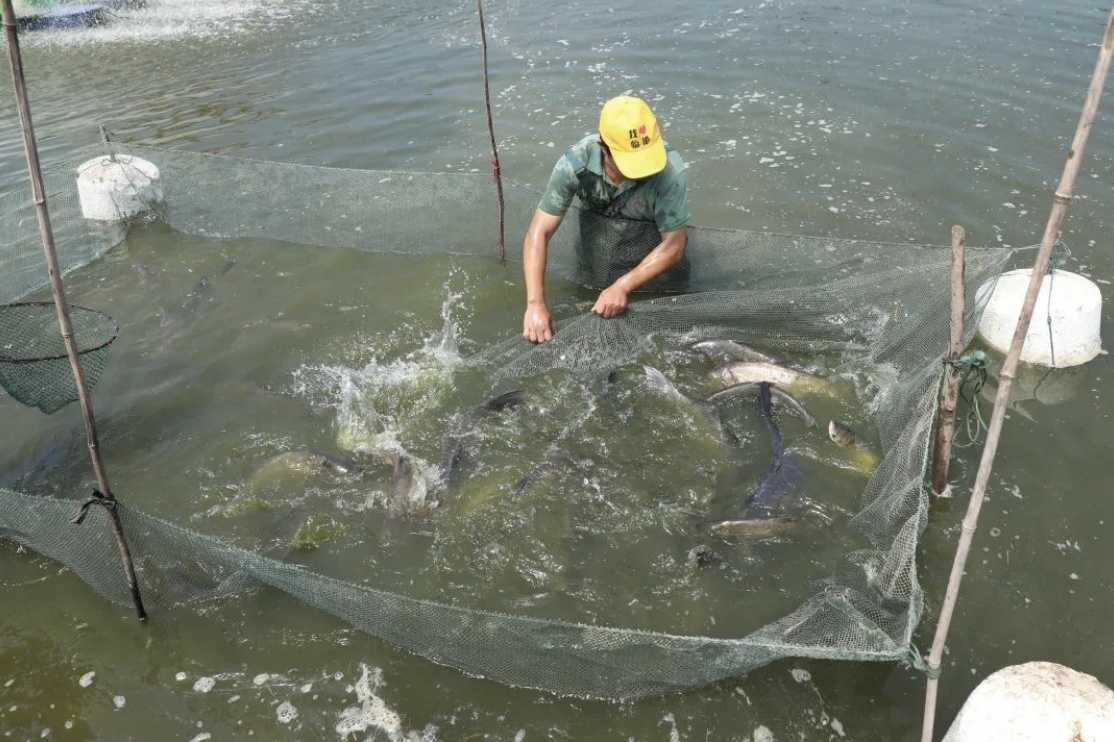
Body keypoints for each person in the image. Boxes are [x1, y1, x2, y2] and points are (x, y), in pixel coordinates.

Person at [522, 95, 691, 343]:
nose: (642, 169)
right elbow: (539, 232)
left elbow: (675, 245)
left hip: (658, 269)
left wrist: (623, 285)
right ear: (604, 146)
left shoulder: (669, 170)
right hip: (598, 261)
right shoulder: (575, 164)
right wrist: (535, 304)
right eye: (631, 161)